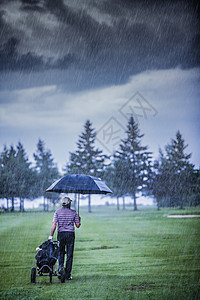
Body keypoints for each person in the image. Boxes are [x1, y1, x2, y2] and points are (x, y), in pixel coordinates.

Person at [48, 196, 81, 281]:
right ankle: (67, 274)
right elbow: (77, 225)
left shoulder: (57, 212)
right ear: (69, 203)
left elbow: (54, 224)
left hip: (61, 234)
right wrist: (79, 220)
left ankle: (60, 270)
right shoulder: (74, 212)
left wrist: (51, 235)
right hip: (70, 234)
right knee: (69, 254)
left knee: (60, 253)